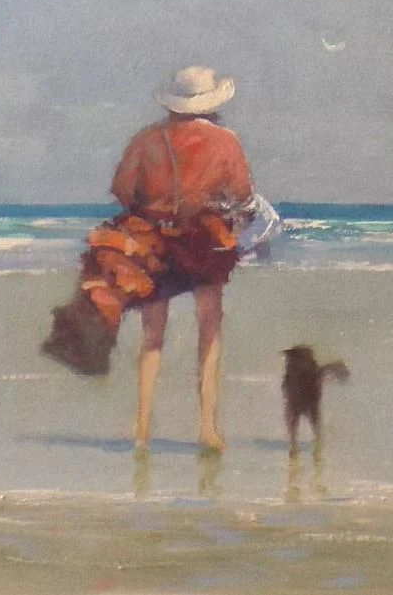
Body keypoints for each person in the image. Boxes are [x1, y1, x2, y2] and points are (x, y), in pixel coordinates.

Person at [41, 65, 254, 453]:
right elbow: (241, 194)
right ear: (211, 103)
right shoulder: (226, 142)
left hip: (154, 244)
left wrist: (157, 205)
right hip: (204, 243)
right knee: (209, 330)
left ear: (173, 103)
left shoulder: (146, 140)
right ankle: (207, 429)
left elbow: (123, 190)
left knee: (153, 336)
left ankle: (142, 428)